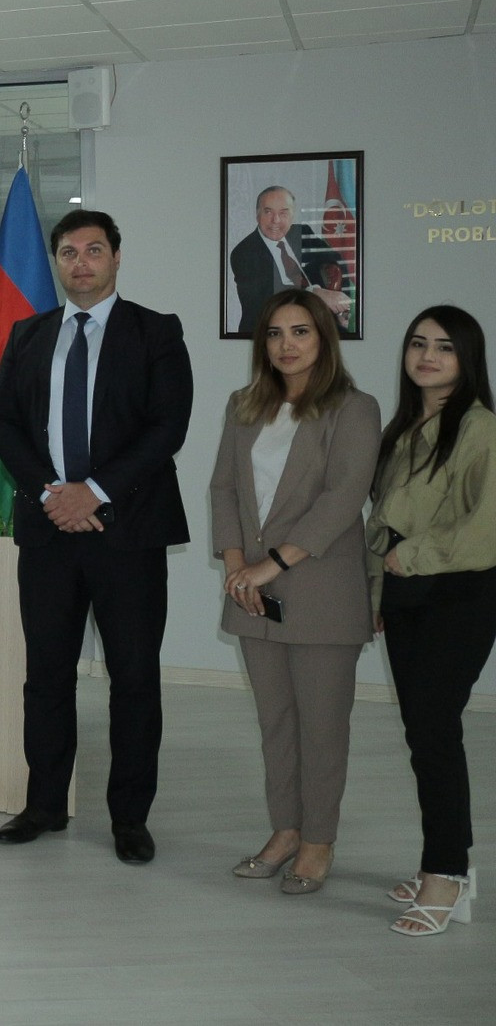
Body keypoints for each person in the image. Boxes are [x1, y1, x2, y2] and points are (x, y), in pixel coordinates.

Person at [0, 209, 191, 863]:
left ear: (116, 257)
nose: (81, 262)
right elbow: (2, 422)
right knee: (46, 676)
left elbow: (167, 426)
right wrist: (52, 493)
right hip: (49, 533)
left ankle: (129, 817)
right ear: (57, 262)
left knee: (133, 679)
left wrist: (93, 490)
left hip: (128, 532)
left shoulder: (156, 331)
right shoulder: (27, 334)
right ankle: (45, 804)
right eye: (69, 252)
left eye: (94, 250)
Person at [208, 287, 380, 895]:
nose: (286, 345)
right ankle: (285, 830)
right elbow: (224, 488)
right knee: (276, 724)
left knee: (322, 727)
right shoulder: (244, 405)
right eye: (275, 333)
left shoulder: (354, 409)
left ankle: (318, 841)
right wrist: (238, 568)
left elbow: (343, 499)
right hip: (253, 595)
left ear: (323, 339)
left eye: (300, 331)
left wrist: (269, 565)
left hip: (322, 593)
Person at [367, 305, 496, 936]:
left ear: (467, 359)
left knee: (435, 733)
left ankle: (447, 874)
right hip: (405, 593)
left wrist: (408, 557)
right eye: (418, 343)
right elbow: (383, 520)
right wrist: (378, 592)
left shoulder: (481, 428)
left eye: (444, 347)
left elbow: (486, 528)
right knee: (424, 734)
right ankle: (443, 864)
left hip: (458, 595)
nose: (428, 356)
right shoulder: (402, 428)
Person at [230, 185, 351, 336]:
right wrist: (316, 293)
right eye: (268, 212)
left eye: (283, 213)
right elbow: (269, 298)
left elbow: (336, 260)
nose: (275, 220)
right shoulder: (244, 253)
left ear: (292, 215)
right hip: (267, 334)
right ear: (257, 215)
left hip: (314, 327)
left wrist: (341, 308)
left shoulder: (302, 233)